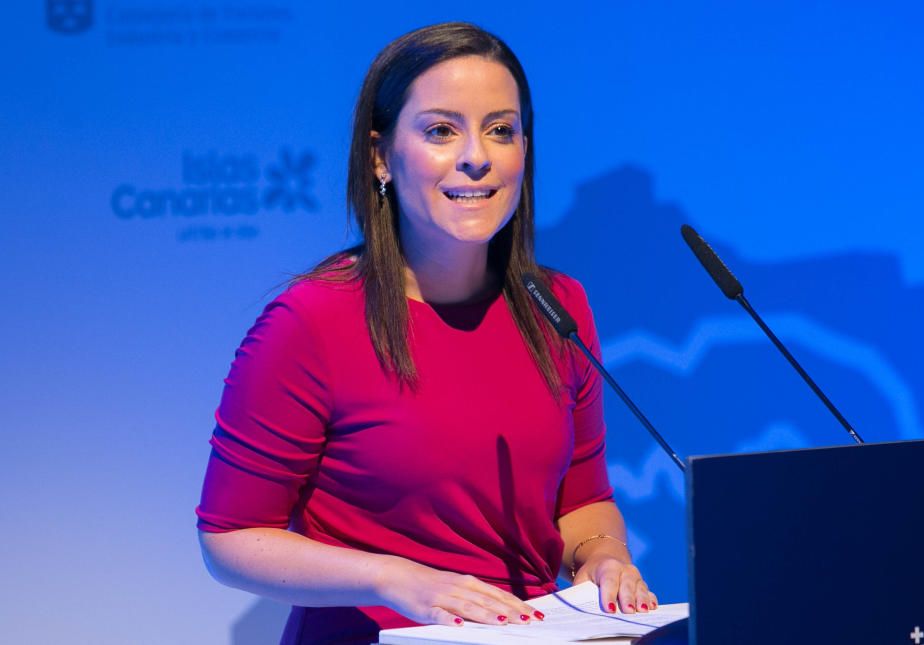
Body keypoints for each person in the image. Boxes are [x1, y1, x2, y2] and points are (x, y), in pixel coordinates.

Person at [196, 21, 658, 645]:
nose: (477, 155)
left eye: (502, 130)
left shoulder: (557, 306)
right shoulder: (310, 322)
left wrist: (602, 557)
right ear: (380, 156)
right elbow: (230, 538)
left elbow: (582, 502)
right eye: (442, 130)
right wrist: (396, 581)